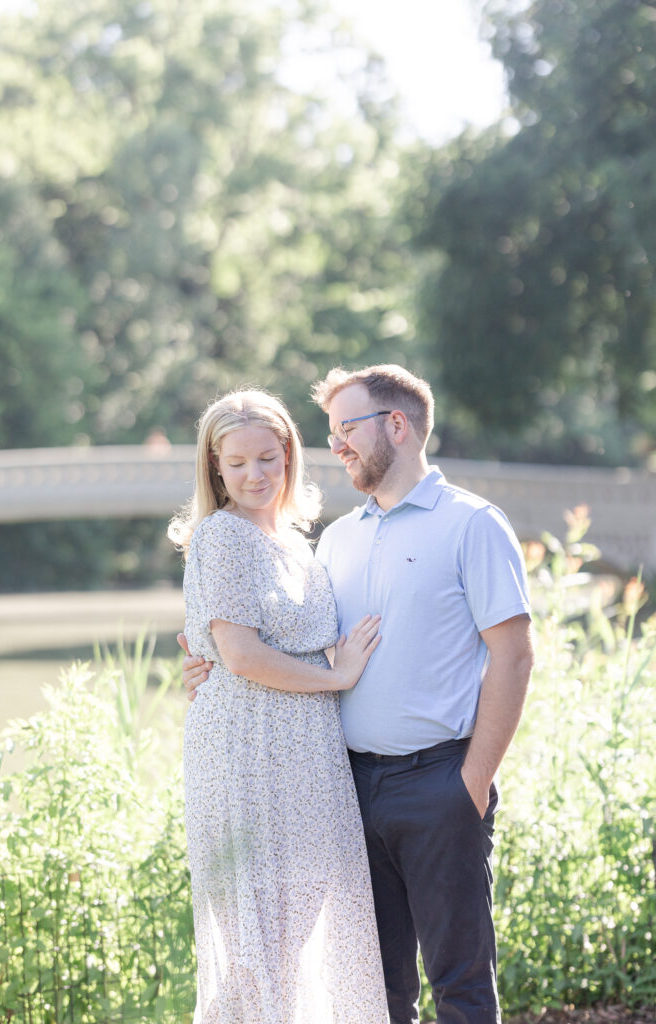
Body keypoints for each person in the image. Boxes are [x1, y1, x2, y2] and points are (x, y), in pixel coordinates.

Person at [181, 365, 534, 1024]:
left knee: (458, 980)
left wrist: (473, 780)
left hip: (437, 781)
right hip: (340, 787)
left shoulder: (471, 524)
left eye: (347, 428)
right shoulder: (334, 539)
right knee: (372, 987)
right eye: (330, 431)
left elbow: (512, 658)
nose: (336, 444)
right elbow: (266, 644)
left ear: (395, 425)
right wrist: (213, 667)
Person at [168, 388, 389, 1024]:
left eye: (268, 458)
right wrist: (337, 675)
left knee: (293, 941)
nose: (255, 475)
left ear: (289, 455)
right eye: (236, 463)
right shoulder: (222, 536)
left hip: (307, 759)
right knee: (255, 948)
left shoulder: (295, 541)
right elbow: (239, 657)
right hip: (249, 755)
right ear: (215, 467)